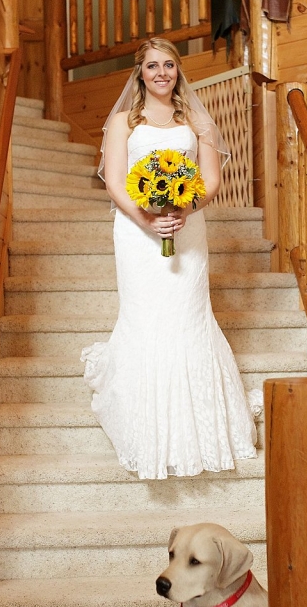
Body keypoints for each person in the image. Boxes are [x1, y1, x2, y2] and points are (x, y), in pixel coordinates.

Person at [81, 38, 262, 480]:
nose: (161, 73)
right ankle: (148, 430)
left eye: (168, 65)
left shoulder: (198, 120)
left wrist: (183, 209)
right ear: (139, 73)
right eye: (152, 66)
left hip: (187, 227)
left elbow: (212, 180)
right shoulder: (123, 121)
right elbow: (116, 183)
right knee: (148, 318)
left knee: (188, 317)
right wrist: (147, 222)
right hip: (137, 232)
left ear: (178, 70)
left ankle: (202, 428)